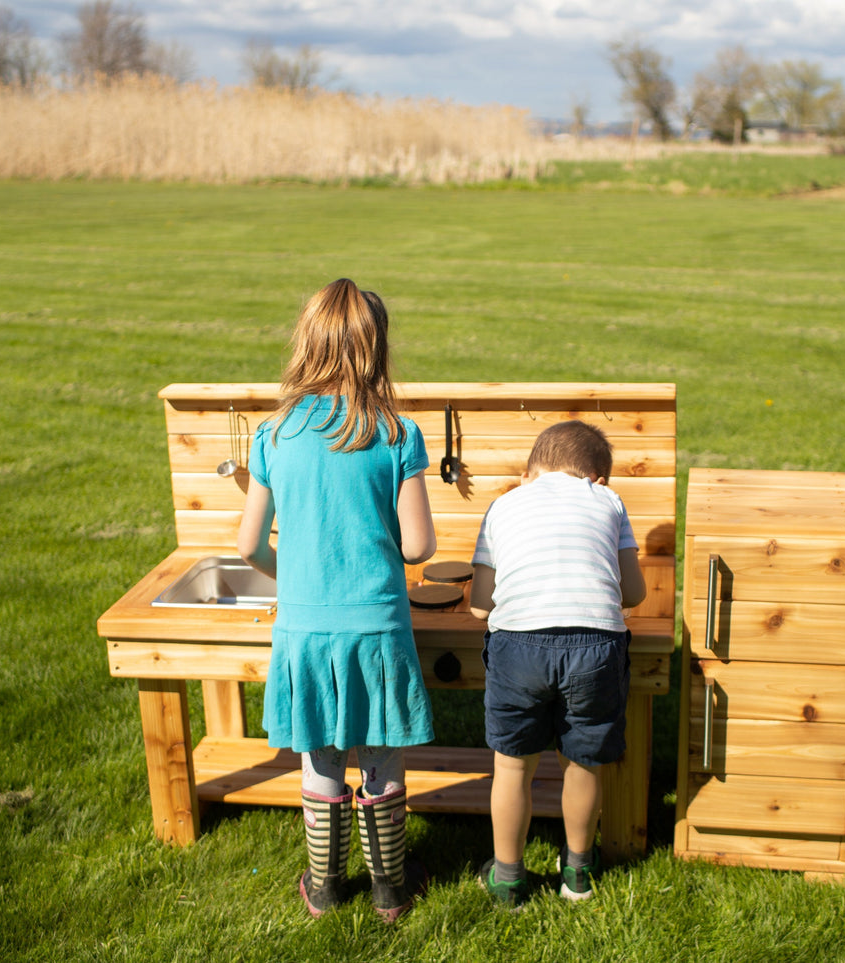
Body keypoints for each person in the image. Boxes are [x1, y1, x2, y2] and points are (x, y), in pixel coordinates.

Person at [236, 278, 437, 922]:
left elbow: (247, 547)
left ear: (307, 341)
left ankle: (324, 890)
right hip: (378, 627)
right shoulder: (397, 432)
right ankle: (390, 892)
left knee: (320, 757)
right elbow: (418, 547)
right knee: (380, 755)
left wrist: (287, 571)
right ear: (375, 348)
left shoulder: (272, 436)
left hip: (305, 628)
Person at [468, 419, 647, 906]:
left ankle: (507, 878)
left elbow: (481, 605)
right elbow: (634, 592)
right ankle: (578, 876)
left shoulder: (503, 503)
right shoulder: (608, 501)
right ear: (598, 478)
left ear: (530, 472)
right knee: (585, 763)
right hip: (595, 644)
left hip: (518, 645)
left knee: (512, 767)